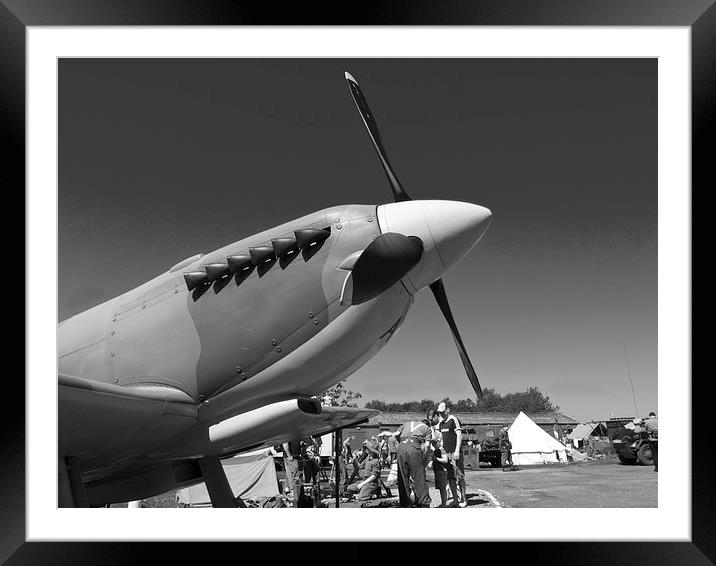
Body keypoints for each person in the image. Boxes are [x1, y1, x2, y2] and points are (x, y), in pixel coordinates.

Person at [395, 412, 434, 507]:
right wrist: (424, 460)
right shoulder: (427, 428)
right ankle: (424, 503)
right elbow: (427, 446)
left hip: (401, 447)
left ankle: (405, 503)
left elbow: (396, 434)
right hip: (414, 448)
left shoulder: (407, 423)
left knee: (402, 477)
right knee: (419, 477)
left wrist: (401, 443)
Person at [436, 401, 467, 507]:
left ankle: (463, 500)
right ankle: (455, 500)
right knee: (450, 478)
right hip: (446, 453)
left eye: (443, 412)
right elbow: (439, 437)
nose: (441, 414)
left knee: (459, 476)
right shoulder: (440, 423)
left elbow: (459, 435)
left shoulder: (454, 420)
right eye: (440, 413)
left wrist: (457, 451)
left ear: (447, 410)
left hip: (455, 452)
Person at [346, 442, 382, 507]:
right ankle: (366, 491)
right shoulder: (367, 458)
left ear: (372, 451)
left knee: (361, 498)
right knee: (349, 488)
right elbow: (360, 466)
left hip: (371, 482)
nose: (366, 450)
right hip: (364, 480)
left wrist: (362, 484)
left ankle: (374, 490)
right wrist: (354, 460)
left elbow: (374, 476)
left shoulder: (376, 461)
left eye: (368, 449)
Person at [282, 439, 304, 505]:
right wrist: (289, 455)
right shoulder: (288, 432)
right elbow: (285, 444)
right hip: (291, 457)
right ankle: (293, 493)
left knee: (289, 475)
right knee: (294, 475)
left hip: (292, 456)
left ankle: (287, 492)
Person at [430, 436, 449, 507]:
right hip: (438, 471)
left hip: (442, 471)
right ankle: (444, 503)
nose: (433, 444)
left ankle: (444, 504)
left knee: (442, 488)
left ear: (439, 442)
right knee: (441, 488)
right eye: (432, 443)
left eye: (434, 443)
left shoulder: (441, 450)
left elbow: (445, 460)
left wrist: (435, 459)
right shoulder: (436, 450)